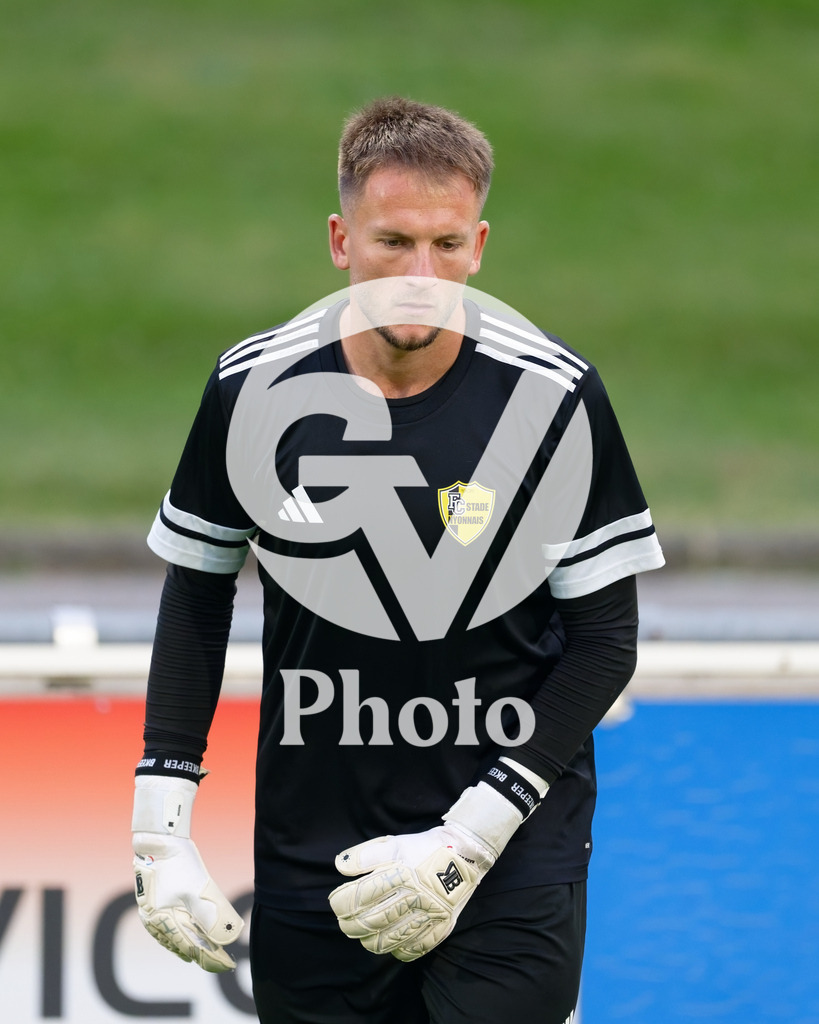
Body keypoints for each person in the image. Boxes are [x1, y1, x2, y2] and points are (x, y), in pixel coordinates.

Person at [131, 96, 665, 1024]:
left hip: (507, 842)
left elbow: (604, 643)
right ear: (340, 239)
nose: (420, 274)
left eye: (447, 246)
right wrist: (158, 827)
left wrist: (470, 835)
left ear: (481, 245)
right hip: (315, 837)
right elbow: (196, 597)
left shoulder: (553, 396)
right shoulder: (251, 388)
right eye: (392, 243)